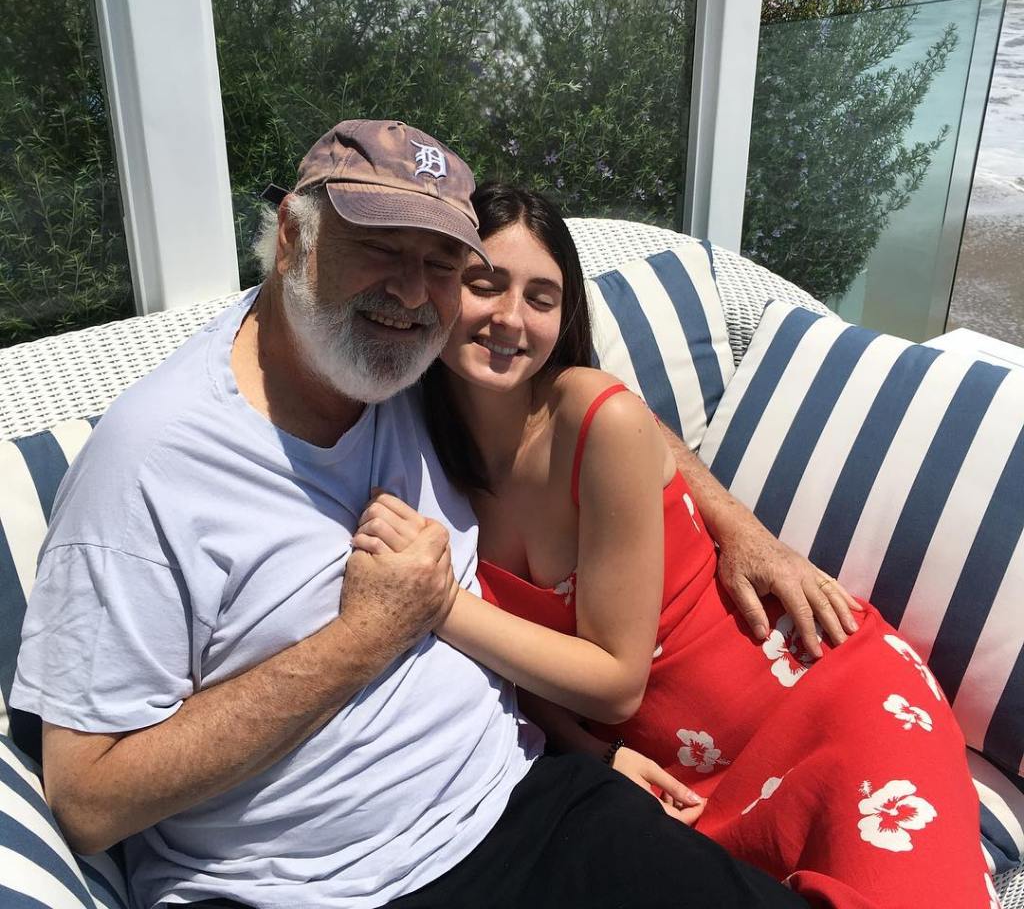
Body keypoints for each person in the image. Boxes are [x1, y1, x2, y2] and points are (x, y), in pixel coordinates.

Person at [11, 121, 814, 909]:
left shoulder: (408, 371)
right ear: (292, 236)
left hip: (531, 803)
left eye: (439, 264)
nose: (407, 290)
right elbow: (89, 802)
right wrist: (363, 637)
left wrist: (737, 524)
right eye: (379, 249)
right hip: (313, 887)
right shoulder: (152, 461)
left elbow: (589, 408)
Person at [353, 182, 992, 909]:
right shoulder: (418, 453)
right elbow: (514, 668)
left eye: (542, 297)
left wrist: (433, 602)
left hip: (828, 707)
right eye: (485, 284)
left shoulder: (597, 420)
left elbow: (615, 679)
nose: (511, 319)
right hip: (674, 780)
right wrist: (594, 751)